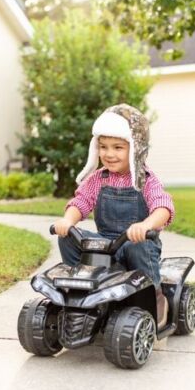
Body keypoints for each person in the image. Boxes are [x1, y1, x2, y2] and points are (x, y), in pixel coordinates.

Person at [52, 103, 175, 326]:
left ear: (135, 148)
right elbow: (81, 201)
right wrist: (68, 220)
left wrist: (146, 225)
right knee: (68, 237)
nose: (109, 154)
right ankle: (79, 290)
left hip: (136, 242)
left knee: (138, 246)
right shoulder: (98, 179)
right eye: (103, 147)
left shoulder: (146, 180)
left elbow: (163, 207)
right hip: (106, 244)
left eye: (118, 147)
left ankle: (154, 296)